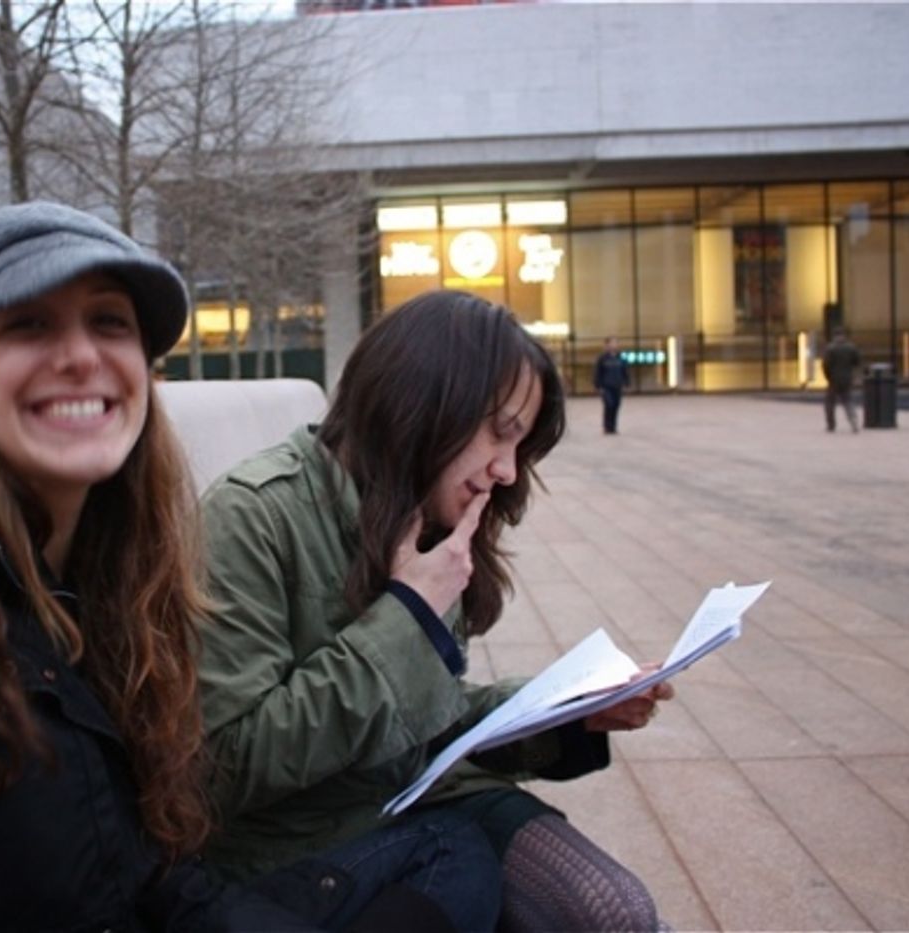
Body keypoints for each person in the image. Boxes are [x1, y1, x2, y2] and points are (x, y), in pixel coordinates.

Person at [0, 204, 503, 932]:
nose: (80, 355)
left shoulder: (95, 595)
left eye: (110, 323)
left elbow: (150, 875)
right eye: (28, 324)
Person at [197, 290, 675, 932]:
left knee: (615, 911)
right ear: (418, 404)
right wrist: (407, 615)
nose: (507, 470)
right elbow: (225, 764)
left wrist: (564, 712)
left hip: (416, 797)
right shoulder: (251, 515)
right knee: (467, 870)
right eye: (500, 435)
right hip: (297, 844)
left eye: (522, 445)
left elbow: (430, 722)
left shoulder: (421, 511)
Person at [821, 327, 862, 433]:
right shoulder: (851, 347)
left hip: (834, 379)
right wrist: (853, 374)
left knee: (830, 403)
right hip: (847, 378)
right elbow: (857, 361)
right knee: (848, 400)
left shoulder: (830, 348)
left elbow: (826, 365)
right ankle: (853, 420)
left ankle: (831, 424)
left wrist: (828, 377)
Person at [593, 337, 629, 434]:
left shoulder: (621, 358)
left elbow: (625, 371)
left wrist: (626, 383)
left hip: (617, 386)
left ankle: (613, 427)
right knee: (609, 405)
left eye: (616, 343)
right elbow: (598, 373)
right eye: (612, 343)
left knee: (616, 406)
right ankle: (607, 426)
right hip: (606, 387)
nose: (614, 345)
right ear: (607, 345)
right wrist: (598, 386)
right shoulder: (602, 358)